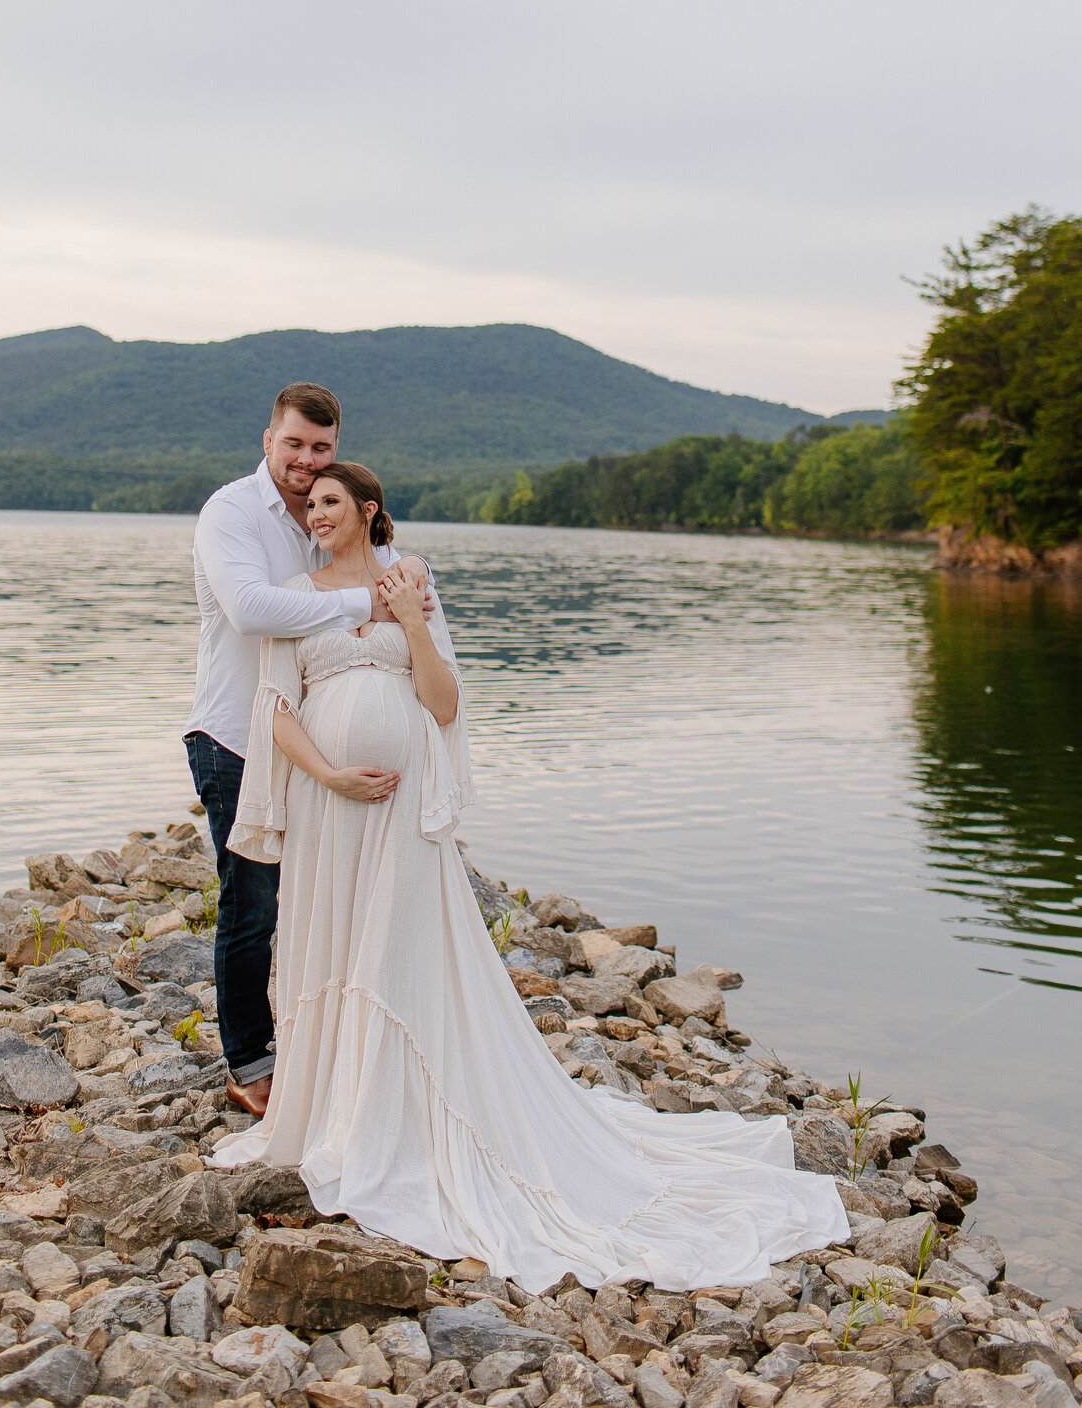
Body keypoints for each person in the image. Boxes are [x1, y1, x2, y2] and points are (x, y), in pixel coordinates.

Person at [209, 461, 850, 1291]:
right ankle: (339, 1108)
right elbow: (275, 711)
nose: (316, 514)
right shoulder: (299, 596)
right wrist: (329, 776)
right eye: (310, 504)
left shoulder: (412, 585)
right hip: (333, 807)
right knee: (332, 946)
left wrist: (409, 618)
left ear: (369, 510)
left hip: (402, 815)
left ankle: (405, 1112)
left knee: (400, 950)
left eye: (332, 502)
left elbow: (442, 705)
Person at [183, 383, 425, 1120]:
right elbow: (253, 609)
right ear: (268, 441)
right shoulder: (231, 513)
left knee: (325, 896)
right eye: (294, 444)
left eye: (321, 449)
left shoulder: (327, 514)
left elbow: (389, 590)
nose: (306, 460)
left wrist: (401, 592)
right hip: (235, 737)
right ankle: (252, 1060)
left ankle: (336, 1046)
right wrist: (366, 606)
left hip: (320, 756)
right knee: (252, 904)